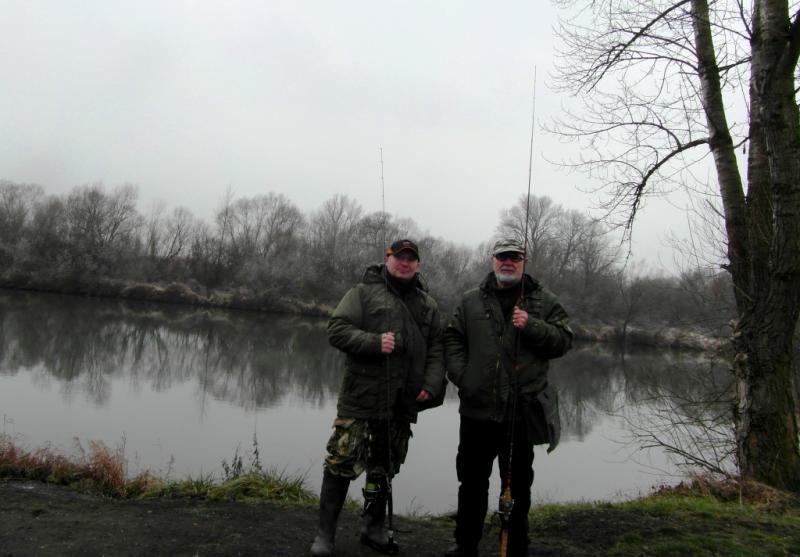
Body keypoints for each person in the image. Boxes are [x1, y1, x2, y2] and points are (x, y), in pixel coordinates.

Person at [310, 239, 446, 557]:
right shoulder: (362, 292)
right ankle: (325, 535)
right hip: (360, 398)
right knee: (341, 463)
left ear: (418, 265)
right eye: (399, 257)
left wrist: (431, 382)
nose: (404, 263)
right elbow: (337, 329)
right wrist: (374, 342)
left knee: (384, 467)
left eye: (411, 259)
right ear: (387, 260)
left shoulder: (428, 305)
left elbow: (438, 348)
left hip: (401, 401)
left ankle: (372, 528)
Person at [444, 238, 573, 557]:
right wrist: (463, 377)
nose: (508, 262)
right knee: (471, 483)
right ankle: (465, 546)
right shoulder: (470, 300)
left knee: (517, 486)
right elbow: (453, 339)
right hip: (476, 412)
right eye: (503, 257)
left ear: (524, 262)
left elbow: (564, 341)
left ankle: (516, 547)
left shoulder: (544, 301)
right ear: (492, 260)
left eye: (515, 257)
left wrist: (532, 325)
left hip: (520, 413)